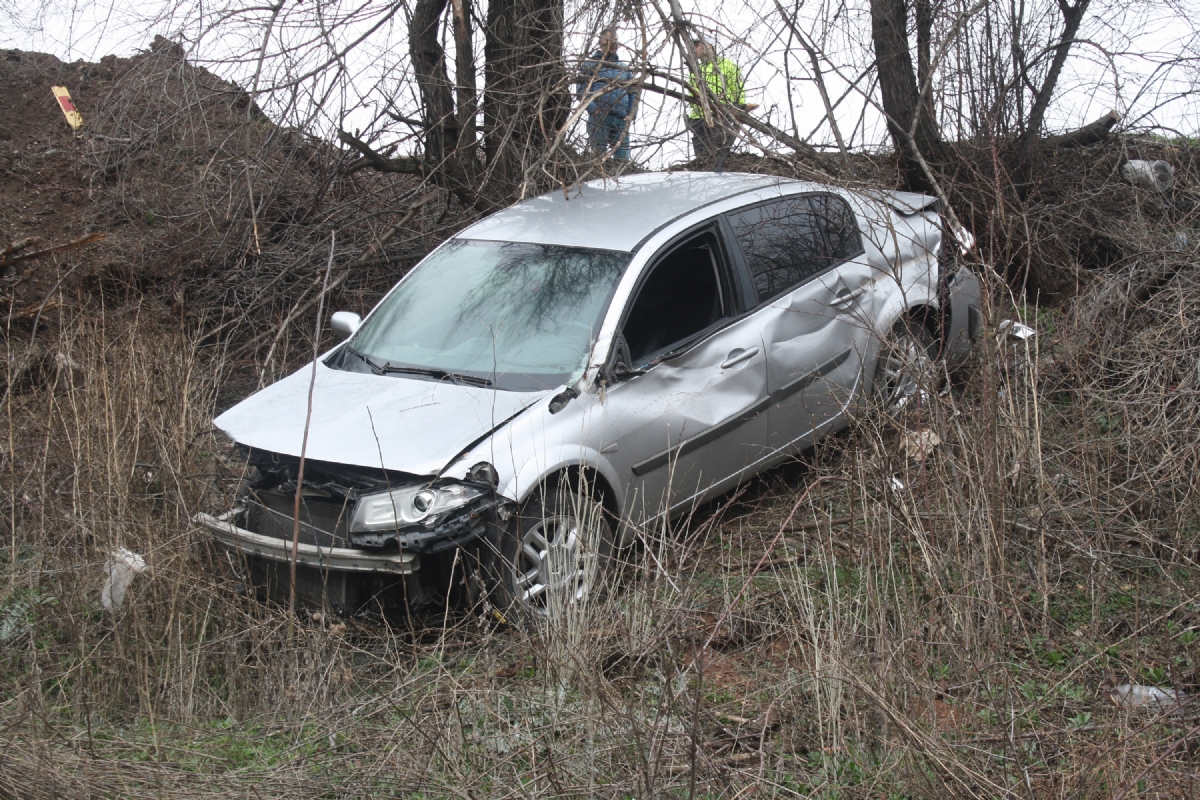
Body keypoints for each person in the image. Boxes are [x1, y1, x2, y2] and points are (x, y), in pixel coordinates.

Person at [576, 28, 636, 163]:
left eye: (615, 41)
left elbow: (633, 92)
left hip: (621, 120)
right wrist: (592, 108)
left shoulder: (624, 68)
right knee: (598, 160)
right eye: (609, 41)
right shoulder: (590, 65)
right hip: (599, 118)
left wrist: (632, 113)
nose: (613, 44)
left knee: (622, 162)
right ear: (600, 43)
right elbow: (581, 90)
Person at [686, 37, 746, 165]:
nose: (693, 49)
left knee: (718, 154)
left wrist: (738, 111)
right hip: (698, 118)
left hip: (719, 116)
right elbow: (692, 94)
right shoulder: (695, 69)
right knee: (701, 160)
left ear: (709, 46)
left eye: (697, 45)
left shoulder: (726, 65)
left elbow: (738, 92)